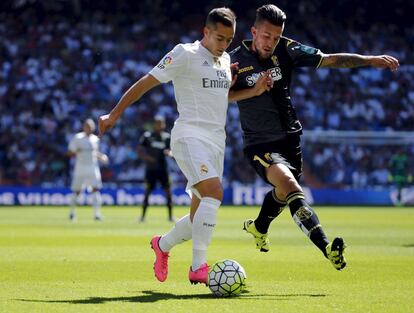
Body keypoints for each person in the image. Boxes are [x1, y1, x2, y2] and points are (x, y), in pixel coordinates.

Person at [229, 4, 399, 270]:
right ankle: (327, 248)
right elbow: (221, 96)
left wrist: (368, 60)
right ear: (253, 31)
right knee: (291, 186)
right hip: (259, 142)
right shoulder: (234, 61)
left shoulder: (288, 49)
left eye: (275, 37)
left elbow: (330, 59)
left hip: (291, 139)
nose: (270, 42)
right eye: (265, 36)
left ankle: (259, 227)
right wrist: (251, 92)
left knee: (283, 192)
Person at [98, 7, 236, 285]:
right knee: (214, 193)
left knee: (200, 213)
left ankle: (162, 245)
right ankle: (198, 267)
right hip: (189, 135)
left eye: (229, 40)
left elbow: (221, 98)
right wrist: (114, 114)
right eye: (219, 38)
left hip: (216, 141)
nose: (224, 45)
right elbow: (146, 82)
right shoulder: (185, 53)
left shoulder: (225, 60)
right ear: (205, 32)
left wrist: (255, 90)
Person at [67, 119, 109, 221]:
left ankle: (97, 214)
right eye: (87, 126)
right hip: (80, 168)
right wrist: (77, 151)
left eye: (91, 126)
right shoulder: (78, 138)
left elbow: (94, 153)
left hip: (92, 167)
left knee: (95, 189)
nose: (89, 128)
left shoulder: (95, 139)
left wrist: (102, 157)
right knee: (77, 191)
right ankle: (72, 213)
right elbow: (69, 153)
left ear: (93, 127)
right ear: (84, 127)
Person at [137, 115, 174, 222]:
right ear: (154, 124)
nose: (159, 125)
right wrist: (147, 158)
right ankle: (143, 217)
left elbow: (171, 150)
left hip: (163, 169)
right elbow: (140, 150)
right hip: (151, 170)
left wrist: (170, 153)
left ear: (164, 125)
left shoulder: (167, 137)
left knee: (168, 192)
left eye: (161, 123)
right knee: (147, 192)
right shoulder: (147, 136)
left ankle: (170, 216)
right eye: (157, 123)